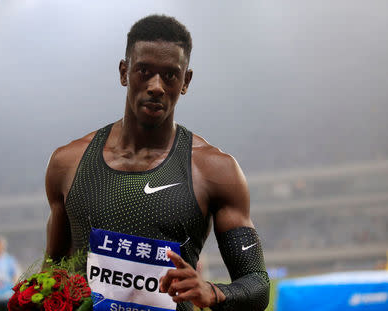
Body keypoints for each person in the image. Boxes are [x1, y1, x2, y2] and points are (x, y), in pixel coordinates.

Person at [45, 14, 270, 310]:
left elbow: (257, 283)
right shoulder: (69, 163)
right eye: (144, 71)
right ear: (124, 72)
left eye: (170, 75)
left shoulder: (214, 170)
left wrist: (213, 292)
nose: (156, 86)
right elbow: (53, 271)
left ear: (186, 81)